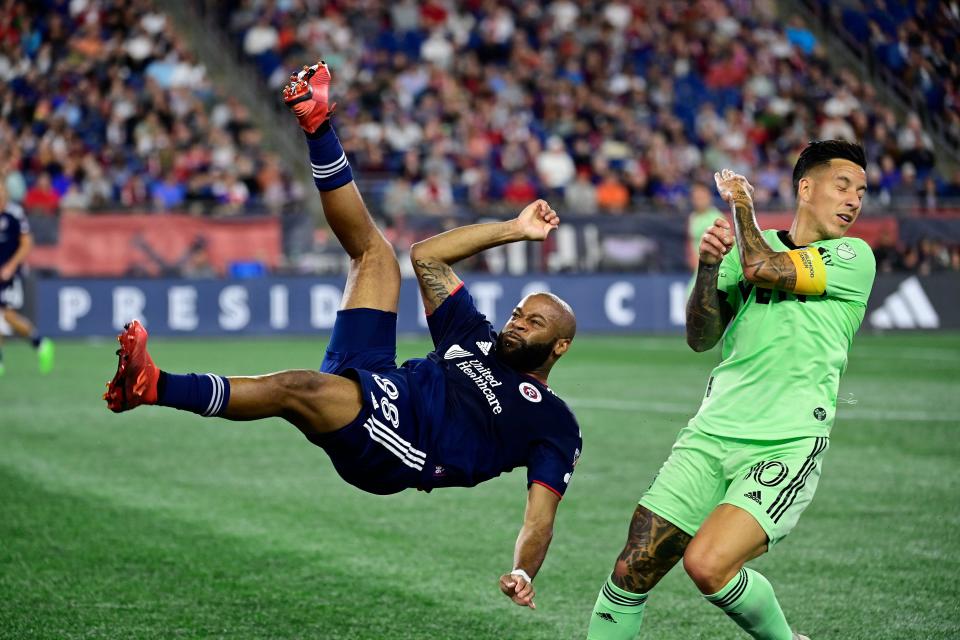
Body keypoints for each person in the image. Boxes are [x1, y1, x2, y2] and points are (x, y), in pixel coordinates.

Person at [103, 61, 582, 610]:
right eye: (520, 312)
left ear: (559, 346)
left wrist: (523, 569)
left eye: (534, 322)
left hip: (403, 445)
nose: (518, 322)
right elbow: (425, 256)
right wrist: (515, 230)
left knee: (295, 388)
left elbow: (539, 517)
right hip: (380, 381)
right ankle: (316, 124)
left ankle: (150, 385)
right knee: (375, 253)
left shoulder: (554, 423)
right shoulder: (476, 336)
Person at [586, 140, 875, 640]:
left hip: (783, 441)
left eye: (862, 192)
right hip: (711, 433)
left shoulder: (853, 256)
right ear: (806, 188)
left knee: (708, 564)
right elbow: (700, 338)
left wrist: (740, 202)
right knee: (631, 568)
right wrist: (706, 267)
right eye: (843, 185)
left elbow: (764, 267)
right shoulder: (749, 248)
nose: (854, 200)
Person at [0, 181, 54, 376]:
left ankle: (40, 343)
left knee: (7, 316)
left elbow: (26, 243)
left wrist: (11, 266)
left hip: (10, 275)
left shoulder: (15, 214)